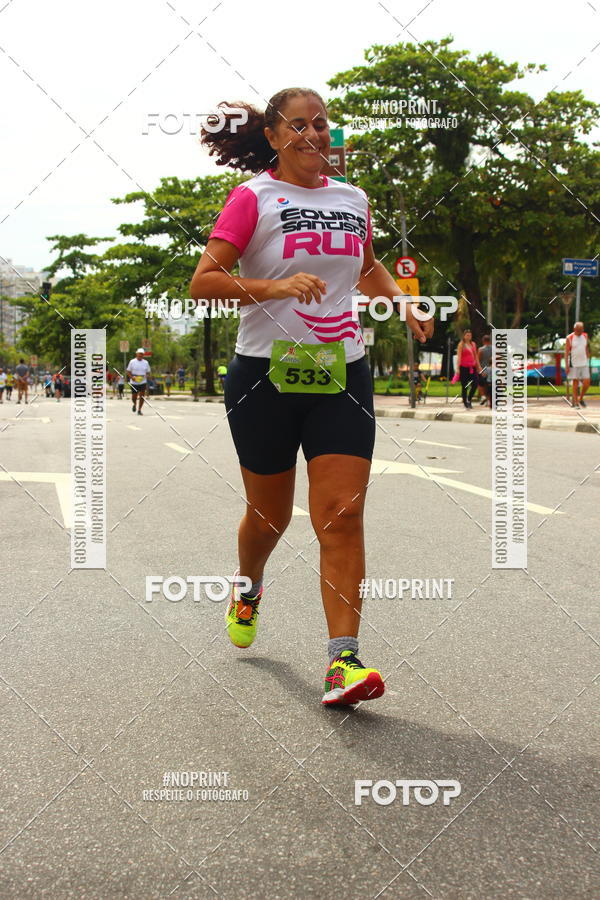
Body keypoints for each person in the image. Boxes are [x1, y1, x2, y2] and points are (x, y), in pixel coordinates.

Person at [191, 87, 434, 706]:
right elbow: (204, 281)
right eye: (298, 126)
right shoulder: (254, 198)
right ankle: (249, 586)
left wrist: (402, 300)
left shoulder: (353, 198)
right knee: (269, 516)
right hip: (264, 379)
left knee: (342, 514)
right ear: (273, 137)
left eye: (321, 125)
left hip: (340, 374)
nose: (312, 135)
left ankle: (343, 662)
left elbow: (368, 266)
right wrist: (274, 287)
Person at [565, 321, 591, 408]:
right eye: (579, 330)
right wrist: (566, 365)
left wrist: (588, 357)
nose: (581, 331)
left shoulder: (585, 336)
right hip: (574, 363)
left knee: (587, 382)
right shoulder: (569, 337)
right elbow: (566, 353)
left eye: (582, 329)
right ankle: (576, 403)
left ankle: (581, 398)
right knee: (575, 383)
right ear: (575, 329)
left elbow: (586, 347)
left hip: (584, 363)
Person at [456, 329, 480, 408]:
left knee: (475, 383)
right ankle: (465, 402)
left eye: (470, 335)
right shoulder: (461, 345)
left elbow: (475, 356)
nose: (469, 337)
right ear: (464, 336)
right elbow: (459, 357)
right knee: (465, 385)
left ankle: (469, 399)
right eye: (467, 335)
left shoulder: (473, 344)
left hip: (472, 367)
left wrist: (478, 366)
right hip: (463, 367)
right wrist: (457, 368)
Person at [127, 348, 151, 415]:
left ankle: (139, 410)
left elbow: (148, 372)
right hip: (134, 381)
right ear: (136, 354)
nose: (140, 355)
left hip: (143, 381)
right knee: (134, 396)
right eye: (139, 353)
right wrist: (132, 377)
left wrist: (147, 376)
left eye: (142, 354)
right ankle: (134, 404)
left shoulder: (146, 362)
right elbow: (128, 371)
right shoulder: (132, 361)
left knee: (142, 396)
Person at [477, 334, 493, 408]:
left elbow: (478, 360)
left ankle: (483, 396)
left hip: (483, 369)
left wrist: (478, 369)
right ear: (490, 341)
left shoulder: (481, 349)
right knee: (489, 385)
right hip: (492, 369)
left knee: (480, 384)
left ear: (483, 341)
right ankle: (489, 400)